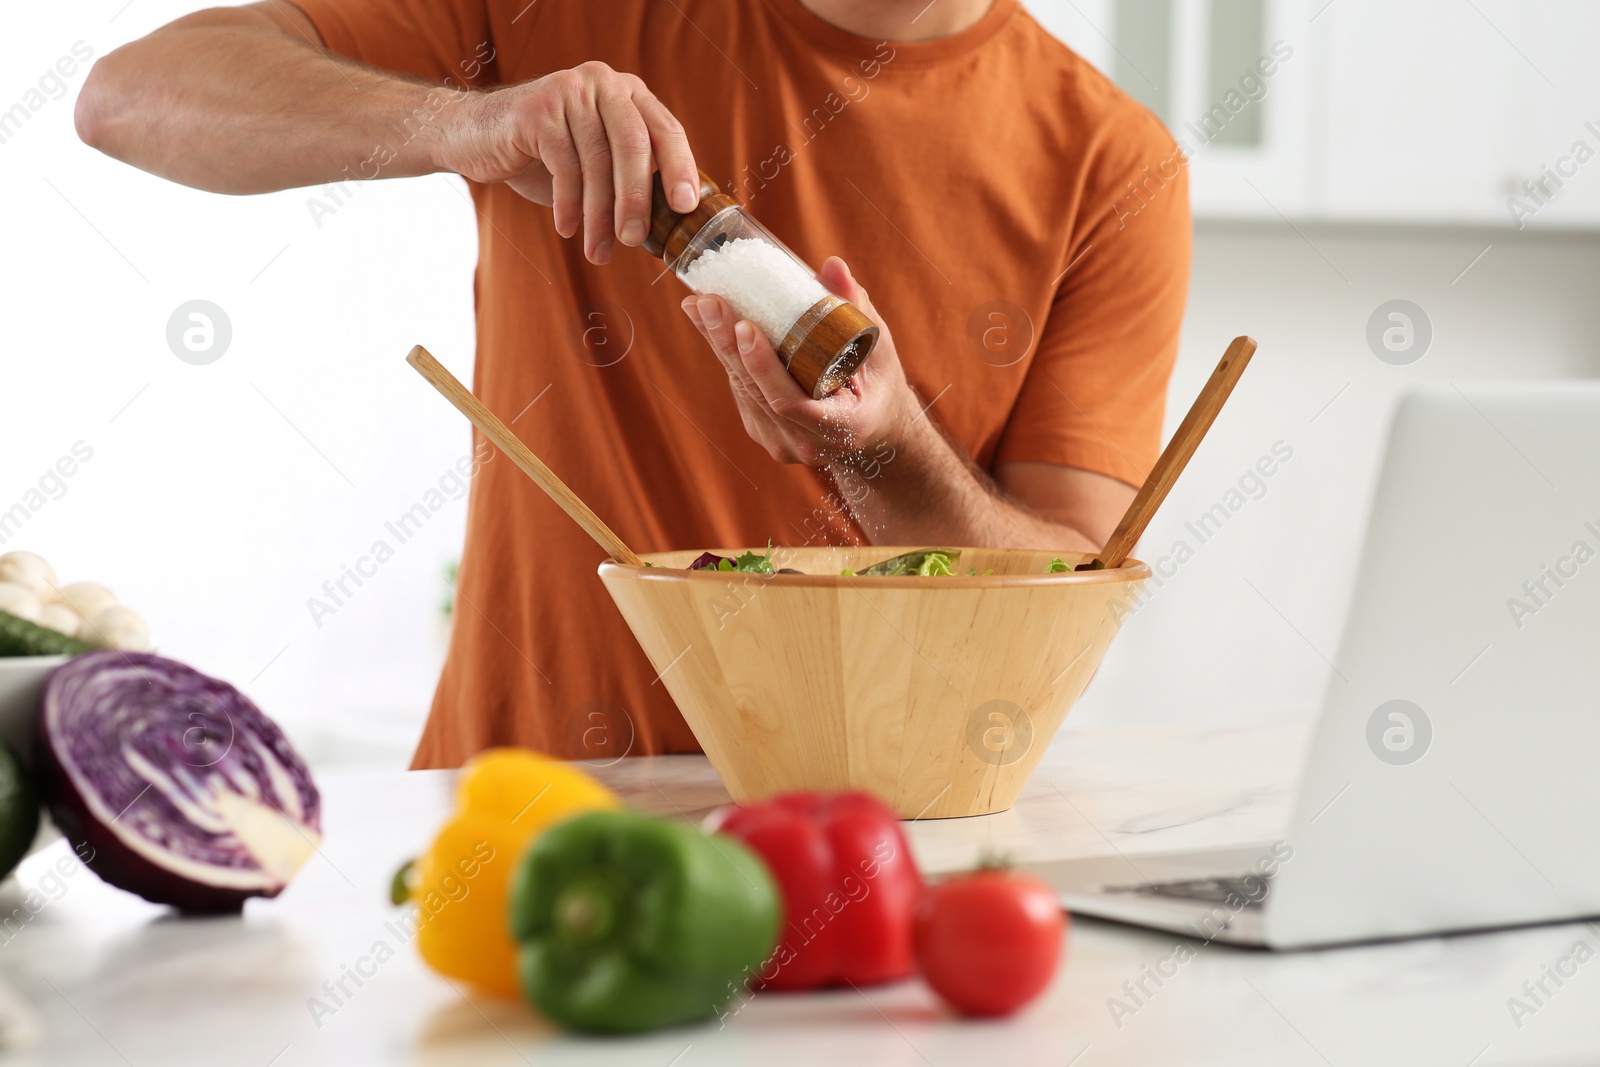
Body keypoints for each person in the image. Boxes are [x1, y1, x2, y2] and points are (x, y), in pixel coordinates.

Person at [76, 0, 1190, 766]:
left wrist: (882, 445)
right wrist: (464, 123)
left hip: (867, 861)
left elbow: (1064, 608)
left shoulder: (1109, 163)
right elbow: (128, 100)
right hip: (517, 817)